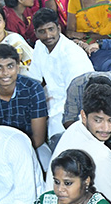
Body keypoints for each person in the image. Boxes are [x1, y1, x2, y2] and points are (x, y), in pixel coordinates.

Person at [49, 81, 111, 204]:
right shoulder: (101, 155)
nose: (106, 128)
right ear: (84, 116)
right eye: (98, 120)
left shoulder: (75, 128)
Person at [30, 8, 93, 136]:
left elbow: (77, 96)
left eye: (51, 29)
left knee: (56, 132)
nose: (48, 36)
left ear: (58, 28)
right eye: (42, 31)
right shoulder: (39, 46)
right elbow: (33, 80)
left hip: (76, 107)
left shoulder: (71, 54)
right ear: (35, 33)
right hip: (53, 101)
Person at [0, 44, 48, 149]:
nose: (5, 73)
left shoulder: (33, 89)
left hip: (30, 146)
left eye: (10, 66)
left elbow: (38, 138)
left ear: (17, 67)